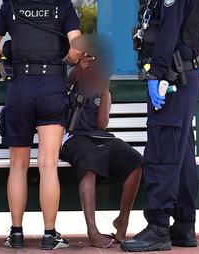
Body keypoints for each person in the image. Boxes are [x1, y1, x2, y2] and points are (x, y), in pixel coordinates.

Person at [0, 0, 82, 250]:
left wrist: (7, 60)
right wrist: (66, 59)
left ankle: (15, 234)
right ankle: (50, 235)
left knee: (18, 165)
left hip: (20, 88)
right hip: (51, 86)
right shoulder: (63, 4)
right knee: (48, 164)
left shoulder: (11, 4)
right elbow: (76, 50)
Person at [122, 0, 199, 252]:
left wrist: (158, 74)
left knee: (161, 151)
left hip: (172, 79)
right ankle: (184, 226)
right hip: (184, 78)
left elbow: (169, 33)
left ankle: (158, 226)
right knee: (183, 154)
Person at [60, 50, 142, 249]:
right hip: (73, 138)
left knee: (135, 162)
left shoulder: (102, 88)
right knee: (89, 166)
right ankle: (92, 230)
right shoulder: (73, 81)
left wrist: (105, 92)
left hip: (98, 137)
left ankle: (122, 222)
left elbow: (102, 125)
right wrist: (80, 67)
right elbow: (69, 79)